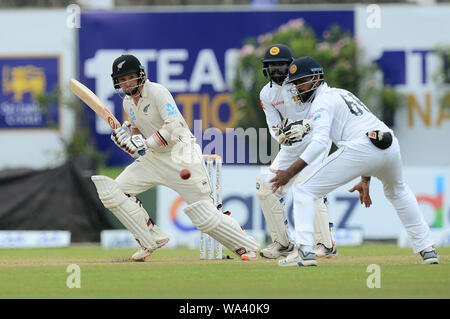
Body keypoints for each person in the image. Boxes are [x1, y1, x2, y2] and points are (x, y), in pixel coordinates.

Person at [271, 56, 439, 266]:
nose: (297, 88)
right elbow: (367, 132)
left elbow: (321, 143)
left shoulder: (321, 102)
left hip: (363, 147)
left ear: (316, 77)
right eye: (294, 84)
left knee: (304, 189)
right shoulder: (342, 93)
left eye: (300, 81)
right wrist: (366, 179)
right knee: (398, 191)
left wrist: (289, 172)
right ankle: (428, 249)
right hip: (388, 142)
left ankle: (305, 251)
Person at [91, 54, 260, 261]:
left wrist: (144, 143)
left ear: (140, 75)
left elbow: (174, 126)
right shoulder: (128, 102)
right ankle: (150, 239)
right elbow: (138, 134)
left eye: (130, 77)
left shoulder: (157, 92)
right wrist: (129, 140)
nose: (126, 83)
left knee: (204, 215)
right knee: (113, 193)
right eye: (122, 79)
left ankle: (247, 247)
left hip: (181, 155)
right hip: (153, 159)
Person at [256, 44, 337, 259]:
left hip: (316, 140)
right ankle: (282, 244)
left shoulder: (301, 82)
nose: (277, 70)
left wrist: (306, 127)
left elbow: (323, 106)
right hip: (291, 146)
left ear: (290, 65)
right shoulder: (266, 94)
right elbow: (274, 126)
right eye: (272, 66)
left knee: (308, 185)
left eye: (281, 65)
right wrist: (281, 135)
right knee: (264, 188)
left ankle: (325, 244)